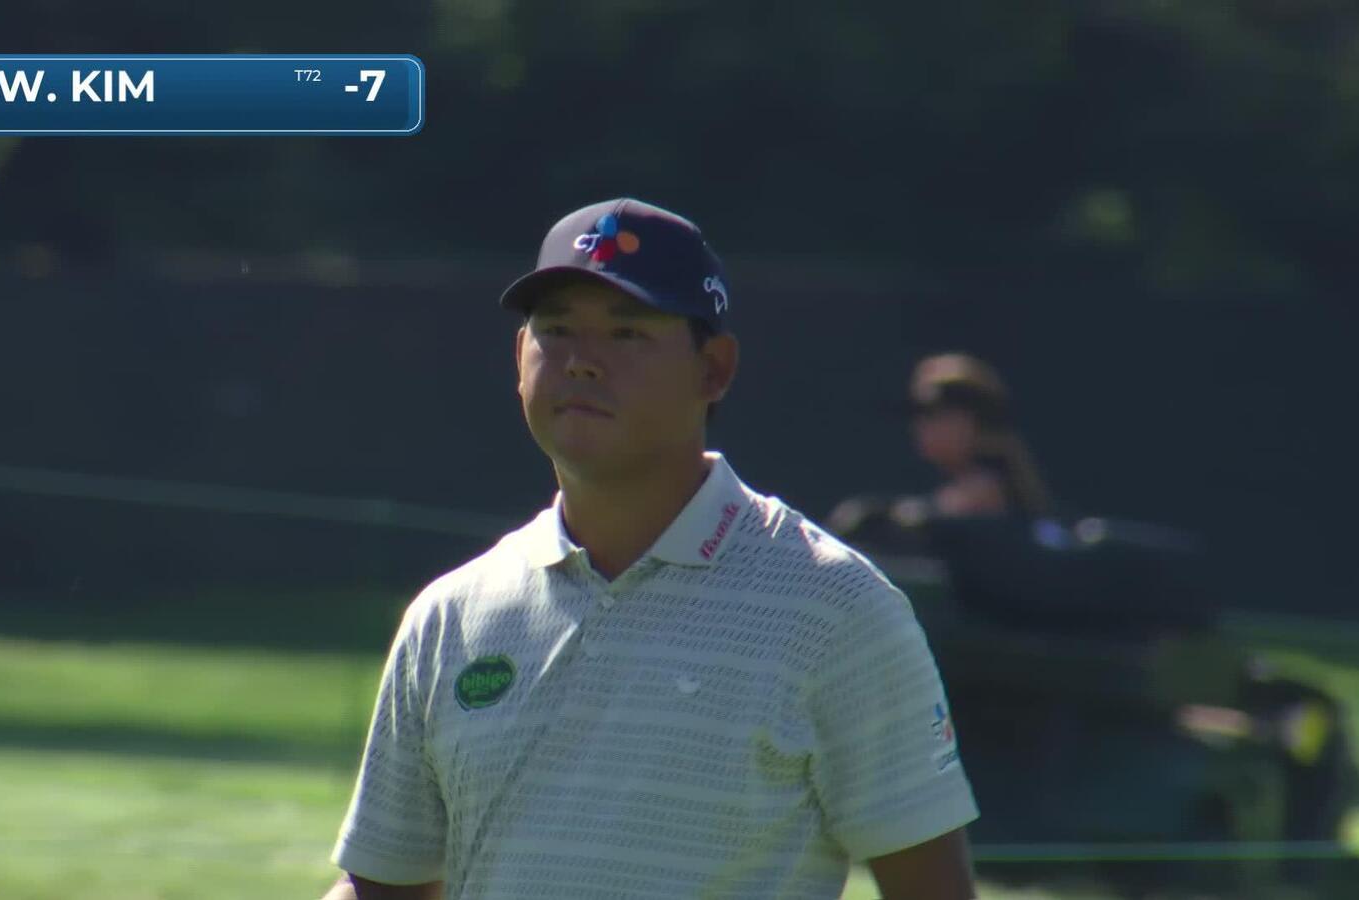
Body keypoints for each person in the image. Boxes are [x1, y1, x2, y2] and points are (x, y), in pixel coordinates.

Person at [322, 199, 979, 900]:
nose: (581, 363)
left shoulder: (839, 609)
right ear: (520, 358)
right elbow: (384, 889)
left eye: (627, 333)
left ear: (714, 369)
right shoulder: (451, 614)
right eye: (556, 331)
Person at [828, 353, 1053, 538]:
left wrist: (881, 517)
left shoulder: (989, 488)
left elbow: (934, 517)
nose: (919, 427)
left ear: (975, 421)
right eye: (917, 415)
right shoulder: (958, 484)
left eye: (934, 415)